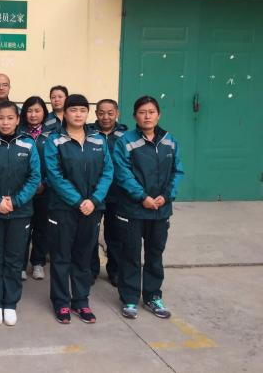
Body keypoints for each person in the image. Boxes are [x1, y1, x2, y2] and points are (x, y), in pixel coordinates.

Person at [44, 94, 113, 324]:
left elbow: (107, 172)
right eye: (73, 110)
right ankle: (61, 302)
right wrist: (78, 201)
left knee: (83, 256)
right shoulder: (54, 140)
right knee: (61, 257)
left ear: (87, 113)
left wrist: (93, 200)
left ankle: (81, 301)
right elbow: (54, 175)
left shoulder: (98, 140)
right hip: (63, 209)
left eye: (82, 110)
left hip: (92, 208)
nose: (78, 114)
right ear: (65, 113)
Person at [113, 96, 184, 320]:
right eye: (142, 112)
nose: (147, 116)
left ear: (158, 115)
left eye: (151, 112)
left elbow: (177, 172)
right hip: (133, 210)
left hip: (160, 210)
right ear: (135, 116)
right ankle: (130, 298)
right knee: (131, 254)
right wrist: (142, 197)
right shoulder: (125, 141)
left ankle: (153, 296)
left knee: (155, 254)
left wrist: (166, 196)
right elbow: (122, 173)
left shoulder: (170, 141)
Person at [0, 101, 41, 326]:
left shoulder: (28, 144)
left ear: (18, 119)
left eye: (10, 118)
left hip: (20, 212)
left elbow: (34, 177)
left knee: (14, 258)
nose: (5, 122)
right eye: (1, 118)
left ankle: (10, 302)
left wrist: (16, 201)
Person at [88, 99, 128, 287]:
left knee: (116, 235)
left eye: (110, 113)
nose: (106, 117)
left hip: (117, 194)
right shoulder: (88, 132)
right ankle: (90, 270)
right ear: (96, 114)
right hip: (93, 193)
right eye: (102, 113)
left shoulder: (125, 135)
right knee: (90, 235)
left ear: (117, 113)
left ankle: (115, 271)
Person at [19, 96, 51, 281]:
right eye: (29, 111)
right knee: (23, 228)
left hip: (45, 190)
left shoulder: (51, 135)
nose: (33, 114)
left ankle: (38, 262)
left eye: (37, 111)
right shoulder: (18, 132)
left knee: (41, 228)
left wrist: (44, 183)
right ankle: (21, 265)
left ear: (44, 113)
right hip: (23, 190)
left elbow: (55, 164)